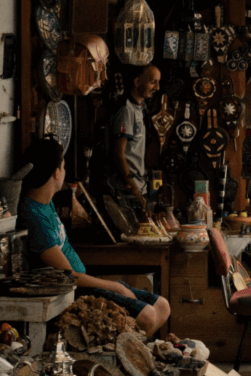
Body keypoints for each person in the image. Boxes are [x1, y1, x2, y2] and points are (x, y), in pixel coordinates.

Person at [17, 139, 170, 336]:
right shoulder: (33, 216)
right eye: (63, 167)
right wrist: (115, 286)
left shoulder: (45, 203)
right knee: (147, 316)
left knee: (162, 306)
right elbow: (68, 276)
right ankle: (122, 349)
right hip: (74, 291)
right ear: (56, 173)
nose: (64, 172)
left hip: (85, 283)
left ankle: (128, 348)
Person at [110, 64, 161, 207]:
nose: (157, 87)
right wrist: (134, 190)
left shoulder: (140, 108)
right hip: (126, 192)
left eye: (158, 82)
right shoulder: (126, 110)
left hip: (138, 187)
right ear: (138, 82)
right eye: (153, 82)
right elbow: (118, 154)